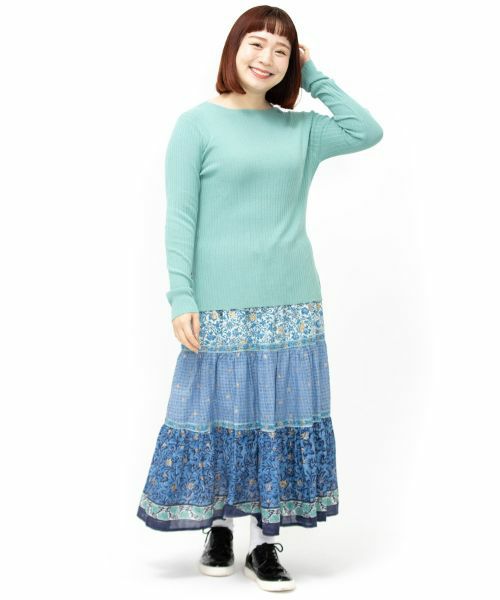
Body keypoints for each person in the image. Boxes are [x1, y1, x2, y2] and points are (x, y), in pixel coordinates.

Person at [136, 5, 383, 592]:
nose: (266, 58)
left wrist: (312, 74)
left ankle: (265, 543)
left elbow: (366, 130)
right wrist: (180, 295)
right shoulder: (195, 125)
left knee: (276, 419)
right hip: (217, 304)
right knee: (219, 416)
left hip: (291, 302)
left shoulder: (301, 131)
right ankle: (219, 528)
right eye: (256, 43)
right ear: (234, 47)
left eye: (281, 50)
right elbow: (180, 218)